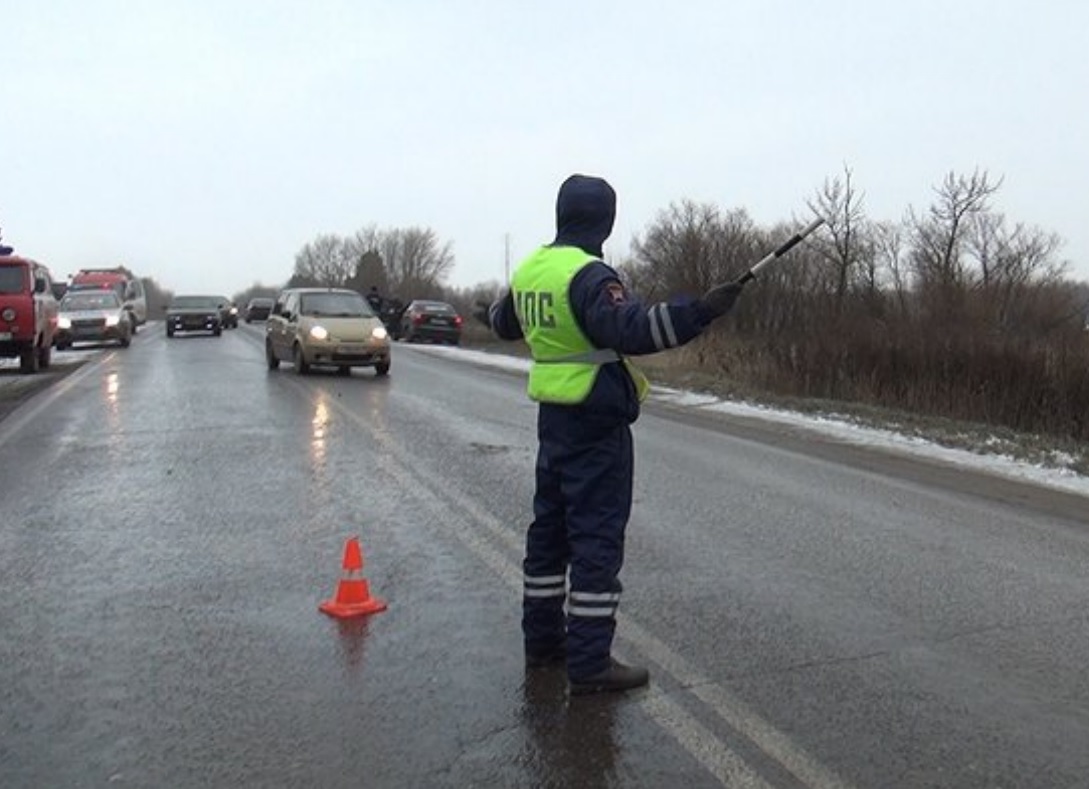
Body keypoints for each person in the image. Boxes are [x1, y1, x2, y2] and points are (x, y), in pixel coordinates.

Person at [477, 174, 743, 695]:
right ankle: (590, 661)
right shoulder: (591, 276)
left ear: (562, 214)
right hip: (596, 424)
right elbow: (632, 329)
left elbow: (502, 321)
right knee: (595, 539)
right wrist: (701, 311)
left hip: (553, 419)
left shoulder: (534, 268)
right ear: (605, 219)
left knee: (548, 538)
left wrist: (486, 313)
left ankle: (544, 646)